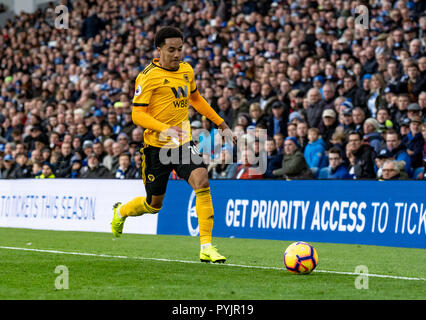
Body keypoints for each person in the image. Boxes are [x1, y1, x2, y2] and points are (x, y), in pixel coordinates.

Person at [111, 27, 235, 263]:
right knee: (153, 204)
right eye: (171, 50)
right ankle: (121, 211)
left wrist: (220, 122)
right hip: (156, 147)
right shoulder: (147, 77)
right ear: (159, 50)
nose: (177, 54)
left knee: (202, 181)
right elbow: (137, 115)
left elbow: (195, 98)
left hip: (181, 142)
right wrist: (163, 128)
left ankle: (206, 246)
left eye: (180, 49)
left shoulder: (187, 70)